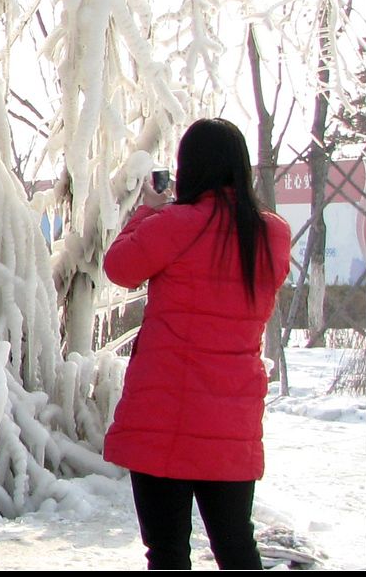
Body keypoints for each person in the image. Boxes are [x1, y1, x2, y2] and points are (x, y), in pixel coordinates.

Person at [102, 118, 291, 570]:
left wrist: (149, 209)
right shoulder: (271, 234)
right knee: (236, 548)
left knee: (167, 553)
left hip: (163, 413)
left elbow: (120, 268)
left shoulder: (175, 224)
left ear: (190, 169)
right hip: (231, 419)